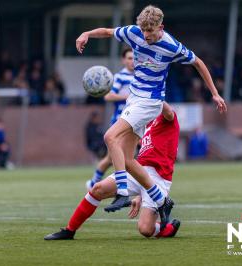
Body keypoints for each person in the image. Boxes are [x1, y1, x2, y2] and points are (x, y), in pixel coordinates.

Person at [76, 5, 227, 224]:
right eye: (143, 31)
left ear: (161, 27)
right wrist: (87, 34)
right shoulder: (135, 33)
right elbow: (108, 32)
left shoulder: (171, 45)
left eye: (151, 31)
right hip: (134, 98)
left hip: (151, 101)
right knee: (127, 159)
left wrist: (214, 93)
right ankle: (161, 200)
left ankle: (122, 191)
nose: (146, 36)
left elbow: (198, 63)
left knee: (110, 137)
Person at [45, 102, 180, 240]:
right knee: (97, 189)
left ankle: (168, 228)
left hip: (158, 177)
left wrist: (152, 97)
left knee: (145, 229)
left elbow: (169, 112)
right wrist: (140, 194)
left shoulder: (166, 117)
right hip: (138, 171)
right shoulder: (146, 122)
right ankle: (69, 231)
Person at [86, 48, 134, 189]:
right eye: (129, 58)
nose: (132, 61)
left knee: (129, 157)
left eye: (134, 58)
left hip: (136, 121)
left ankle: (125, 187)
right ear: (123, 60)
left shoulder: (139, 76)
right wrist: (128, 97)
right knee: (112, 158)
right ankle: (98, 184)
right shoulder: (120, 77)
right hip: (120, 121)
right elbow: (108, 96)